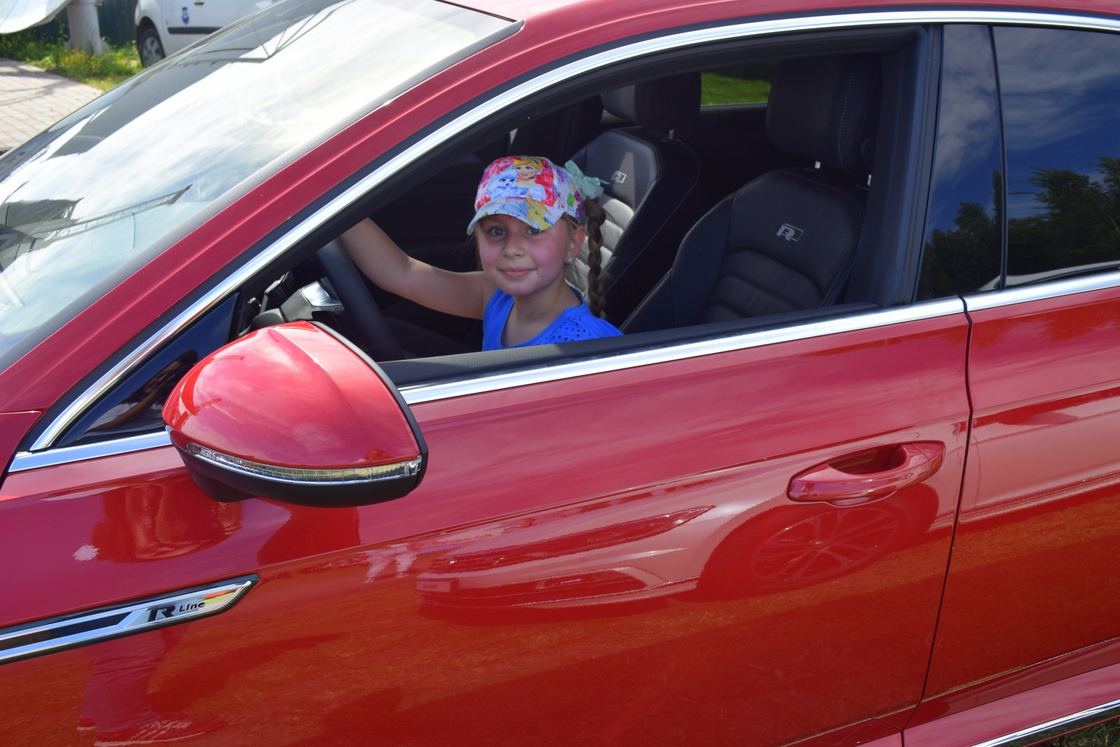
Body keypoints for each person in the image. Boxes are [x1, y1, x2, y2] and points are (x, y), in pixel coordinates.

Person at [340, 155, 622, 351]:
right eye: (497, 231)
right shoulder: (495, 295)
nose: (512, 249)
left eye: (534, 229)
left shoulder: (593, 347)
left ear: (573, 243)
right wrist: (336, 201)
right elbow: (401, 272)